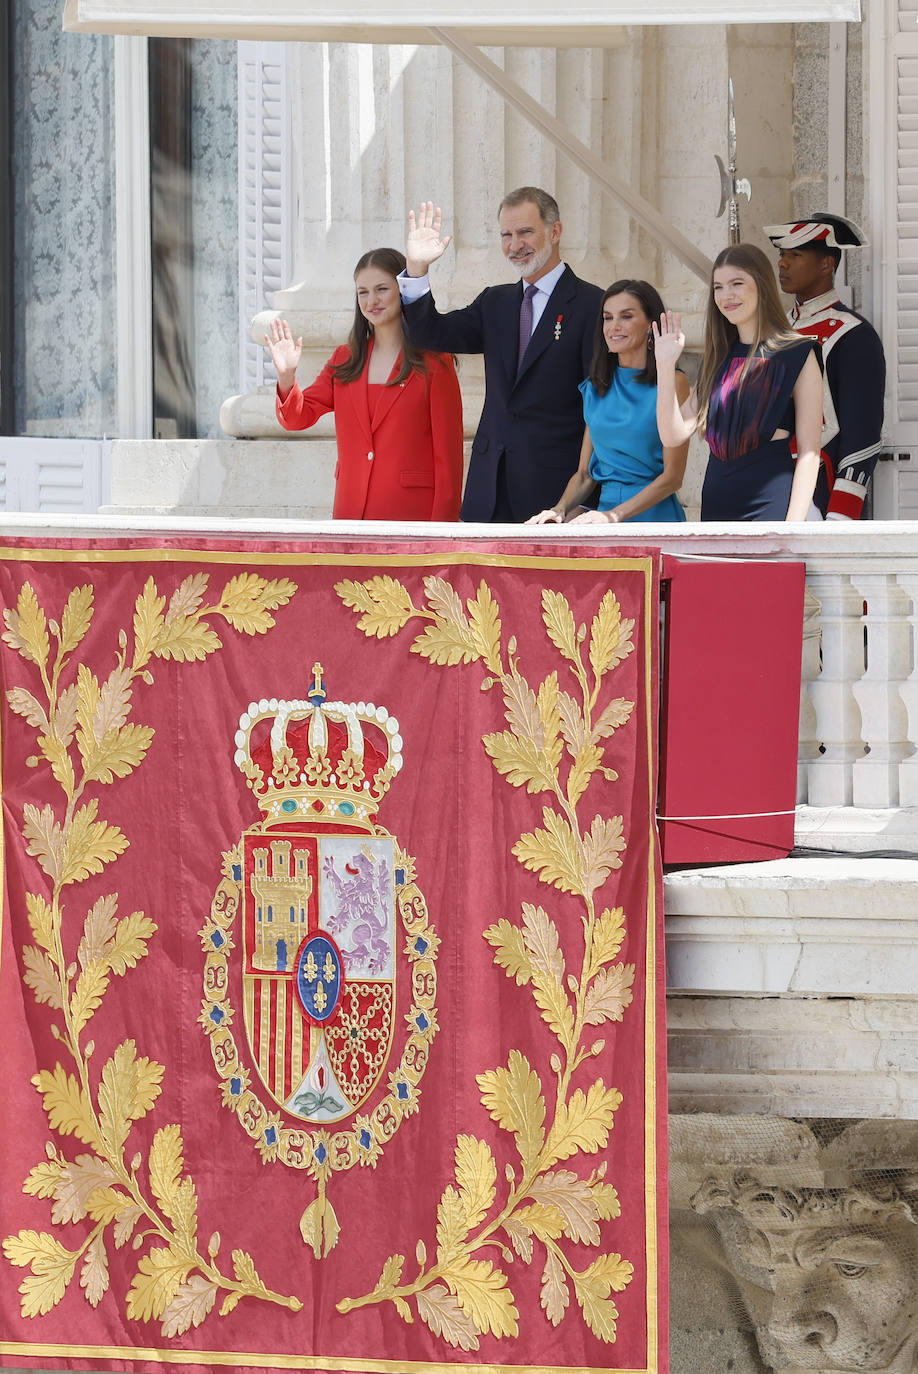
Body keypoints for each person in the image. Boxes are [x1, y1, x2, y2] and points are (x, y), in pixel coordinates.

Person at [398, 190, 602, 523]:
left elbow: (601, 407)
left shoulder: (592, 305)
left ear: (555, 231)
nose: (514, 244)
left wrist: (586, 501)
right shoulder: (495, 303)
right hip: (488, 492)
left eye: (525, 232)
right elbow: (428, 333)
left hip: (555, 497)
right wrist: (417, 268)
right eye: (506, 235)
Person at [268, 247, 463, 521]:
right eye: (363, 292)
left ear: (402, 290)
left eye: (382, 289)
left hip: (413, 518)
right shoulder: (345, 359)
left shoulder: (435, 362)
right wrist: (287, 377)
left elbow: (448, 461)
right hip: (351, 514)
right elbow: (297, 418)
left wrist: (441, 535)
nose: (372, 300)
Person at [654, 242, 824, 522]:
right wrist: (665, 364)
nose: (726, 295)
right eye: (718, 287)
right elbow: (672, 435)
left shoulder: (798, 353)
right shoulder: (718, 358)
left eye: (736, 283)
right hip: (716, 507)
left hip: (771, 507)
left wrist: (792, 527)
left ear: (761, 285)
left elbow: (809, 451)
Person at [528, 280, 690, 525]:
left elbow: (673, 478)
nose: (614, 326)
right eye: (607, 317)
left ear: (650, 325)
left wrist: (614, 515)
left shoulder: (673, 382)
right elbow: (584, 475)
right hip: (602, 523)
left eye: (626, 316)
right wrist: (559, 510)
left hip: (655, 520)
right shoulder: (595, 387)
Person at [765, 213, 886, 520]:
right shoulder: (775, 331)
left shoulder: (854, 333)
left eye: (795, 255)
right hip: (770, 484)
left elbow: (863, 434)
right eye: (782, 255)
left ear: (826, 265)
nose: (782, 263)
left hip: (822, 488)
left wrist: (841, 513)